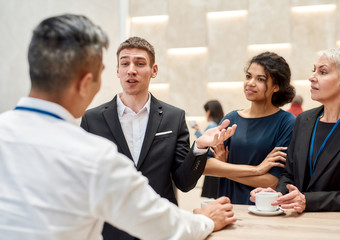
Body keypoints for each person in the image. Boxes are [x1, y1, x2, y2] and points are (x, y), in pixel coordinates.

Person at [0, 14, 238, 240]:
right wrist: (206, 220)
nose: (130, 70)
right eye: (106, 71)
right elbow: (167, 228)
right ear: (86, 83)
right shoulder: (93, 155)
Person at [80, 36, 237, 240]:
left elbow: (184, 182)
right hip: (110, 229)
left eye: (140, 63)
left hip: (163, 229)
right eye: (125, 63)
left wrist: (198, 146)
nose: (131, 70)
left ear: (154, 70)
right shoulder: (92, 119)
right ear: (117, 70)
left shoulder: (174, 117)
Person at [250, 48, 340, 213]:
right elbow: (289, 175)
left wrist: (309, 201)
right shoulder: (304, 120)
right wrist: (278, 195)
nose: (312, 77)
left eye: (322, 72)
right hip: (297, 225)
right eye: (313, 70)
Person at [204, 52, 296, 205]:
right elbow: (205, 167)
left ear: (276, 86)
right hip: (226, 207)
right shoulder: (231, 119)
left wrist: (224, 168)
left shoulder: (287, 122)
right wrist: (257, 170)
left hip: (263, 209)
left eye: (260, 79)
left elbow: (272, 181)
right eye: (248, 76)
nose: (251, 83)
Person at [191, 100, 224, 199]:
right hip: (220, 163)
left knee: (213, 198)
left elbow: (206, 145)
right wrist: (197, 131)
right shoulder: (220, 124)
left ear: (208, 111)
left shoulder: (211, 125)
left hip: (212, 163)